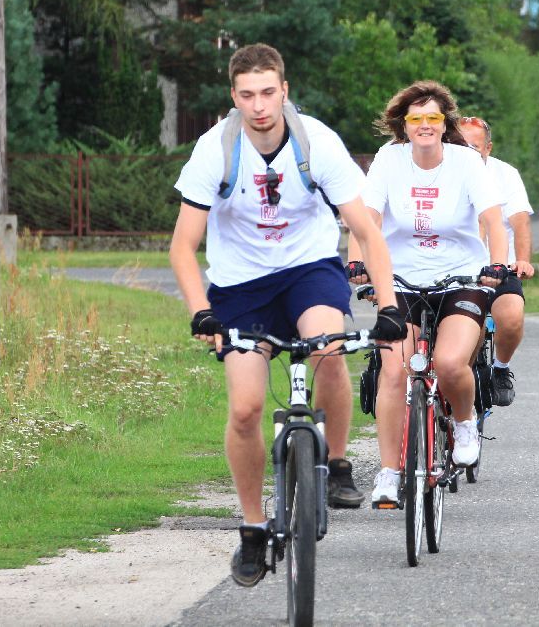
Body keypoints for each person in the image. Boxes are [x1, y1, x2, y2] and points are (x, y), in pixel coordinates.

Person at [169, 43, 405, 588]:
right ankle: (253, 527)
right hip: (239, 285)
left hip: (308, 269)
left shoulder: (316, 141)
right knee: (248, 408)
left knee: (327, 347)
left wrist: (389, 306)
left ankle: (338, 464)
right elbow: (183, 247)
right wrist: (201, 312)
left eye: (268, 92)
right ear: (234, 97)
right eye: (247, 95)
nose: (259, 105)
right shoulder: (215, 149)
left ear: (285, 91)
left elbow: (365, 230)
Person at [346, 80, 508, 507]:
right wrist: (357, 262)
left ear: (444, 123)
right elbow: (366, 218)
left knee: (451, 362)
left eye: (432, 118)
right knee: (394, 371)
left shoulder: (465, 161)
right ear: (403, 125)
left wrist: (497, 265)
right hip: (398, 279)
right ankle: (388, 471)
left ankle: (467, 422)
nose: (424, 125)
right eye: (415, 118)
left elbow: (494, 220)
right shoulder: (389, 158)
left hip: (460, 279)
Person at [457, 116, 534, 406]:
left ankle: (500, 369)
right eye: (460, 145)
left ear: (487, 148)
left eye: (474, 147)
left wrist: (523, 261)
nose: (467, 152)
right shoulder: (441, 173)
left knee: (512, 317)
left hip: (499, 265)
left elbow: (520, 221)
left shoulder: (505, 174)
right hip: (455, 269)